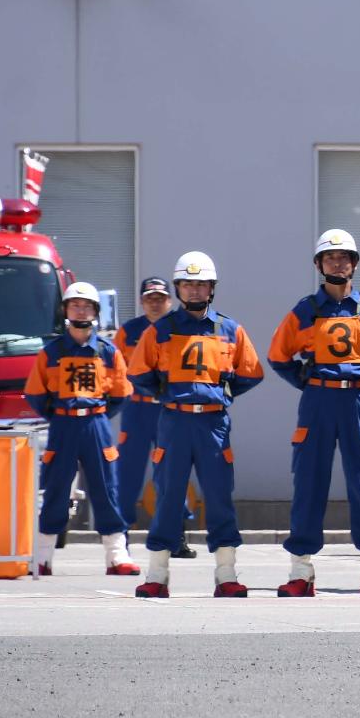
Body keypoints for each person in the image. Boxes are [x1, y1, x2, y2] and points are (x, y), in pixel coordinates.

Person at [267, 229, 360, 598]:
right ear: (318, 265)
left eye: (345, 257)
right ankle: (301, 570)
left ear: (355, 264)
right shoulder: (304, 310)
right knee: (309, 481)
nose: (337, 262)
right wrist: (309, 382)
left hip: (358, 403)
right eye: (330, 258)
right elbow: (279, 356)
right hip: (317, 401)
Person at [129, 251, 264, 598]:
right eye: (187, 284)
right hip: (173, 421)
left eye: (200, 284)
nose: (193, 290)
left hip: (213, 424)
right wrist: (169, 392)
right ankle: (157, 576)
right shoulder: (161, 330)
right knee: (168, 497)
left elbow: (250, 373)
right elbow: (139, 373)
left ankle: (227, 574)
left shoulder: (229, 329)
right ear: (178, 288)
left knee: (219, 497)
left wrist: (217, 394)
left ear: (211, 289)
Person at [24, 283, 135, 578]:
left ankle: (116, 555)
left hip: (96, 424)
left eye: (87, 305)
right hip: (62, 424)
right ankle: (43, 556)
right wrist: (62, 414)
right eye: (75, 305)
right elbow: (35, 394)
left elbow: (121, 394)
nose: (81, 310)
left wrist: (94, 414)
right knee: (55, 489)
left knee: (106, 488)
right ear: (65, 310)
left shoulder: (108, 352)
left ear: (96, 311)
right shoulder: (51, 352)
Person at [111, 276, 173, 545]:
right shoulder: (128, 332)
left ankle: (173, 534)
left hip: (169, 411)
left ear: (169, 300)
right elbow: (113, 369)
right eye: (150, 299)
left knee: (171, 471)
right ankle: (120, 532)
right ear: (141, 301)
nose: (155, 304)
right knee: (128, 472)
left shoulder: (179, 330)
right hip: (137, 411)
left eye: (160, 299)